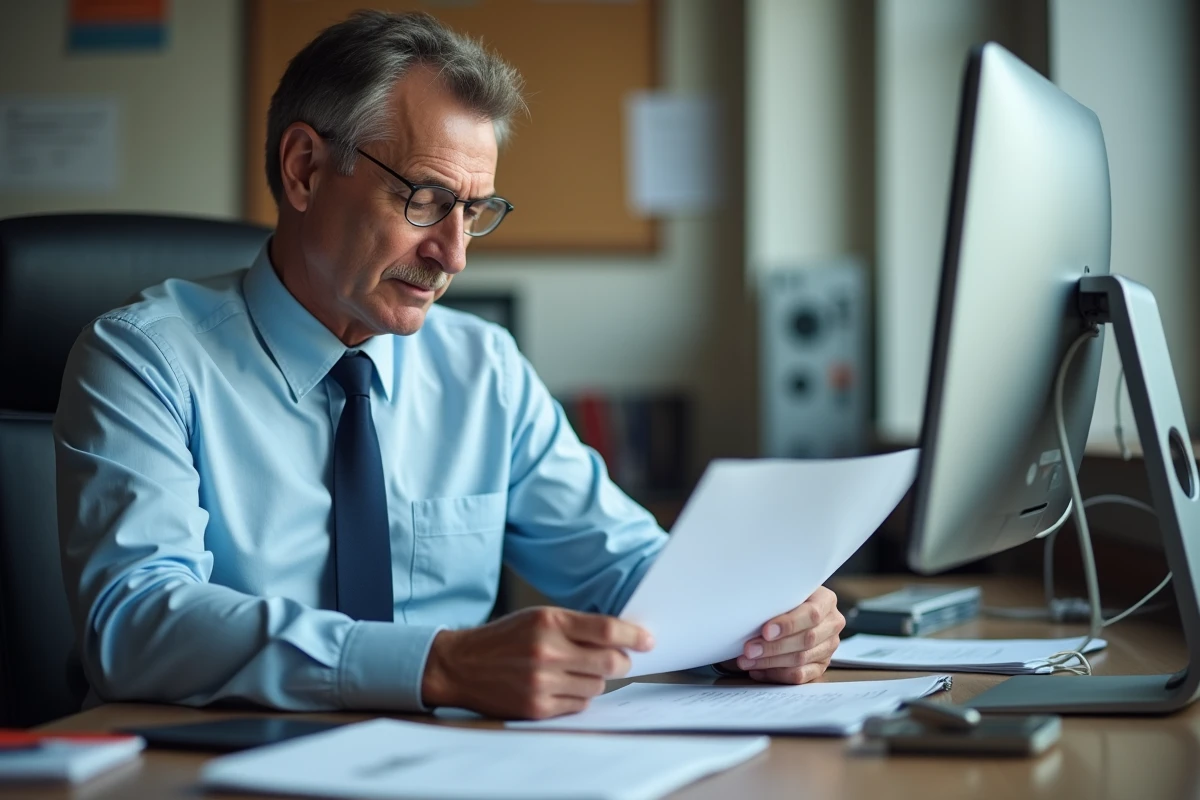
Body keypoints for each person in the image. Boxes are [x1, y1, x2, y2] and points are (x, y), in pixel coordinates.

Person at [54, 10, 844, 720]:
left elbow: (626, 570)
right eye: (426, 199)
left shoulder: (482, 367)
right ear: (304, 169)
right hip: (209, 764)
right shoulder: (143, 359)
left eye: (475, 211)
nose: (454, 255)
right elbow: (136, 619)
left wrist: (763, 621)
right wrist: (438, 664)